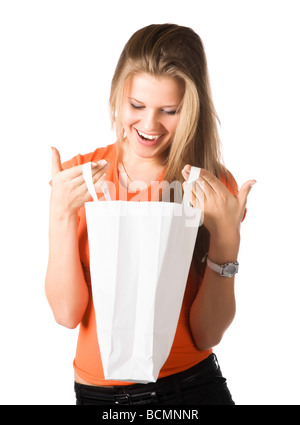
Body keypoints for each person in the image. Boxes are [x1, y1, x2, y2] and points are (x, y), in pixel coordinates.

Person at [45, 23, 255, 405]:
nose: (149, 125)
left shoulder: (210, 185)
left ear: (191, 109)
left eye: (169, 111)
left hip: (190, 389)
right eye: (136, 106)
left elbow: (207, 334)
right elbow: (66, 313)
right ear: (117, 96)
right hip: (99, 399)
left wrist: (226, 238)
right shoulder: (79, 178)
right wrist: (60, 216)